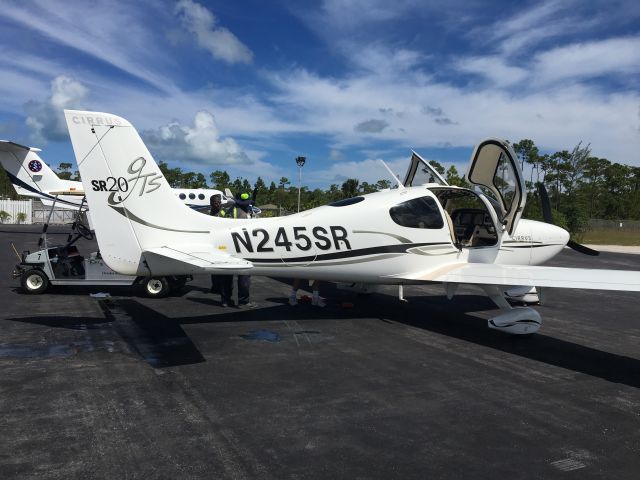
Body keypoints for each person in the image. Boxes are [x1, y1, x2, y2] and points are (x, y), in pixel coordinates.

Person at [221, 192, 256, 308]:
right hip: (238, 246)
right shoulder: (238, 212)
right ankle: (241, 301)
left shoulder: (232, 210)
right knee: (241, 276)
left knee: (231, 276)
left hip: (233, 246)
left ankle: (227, 300)